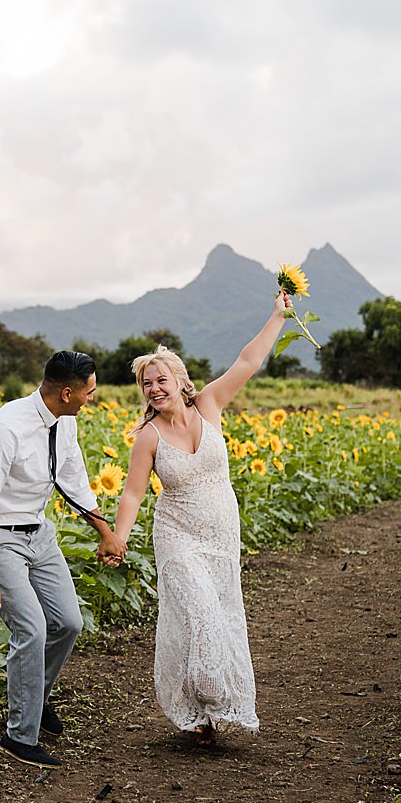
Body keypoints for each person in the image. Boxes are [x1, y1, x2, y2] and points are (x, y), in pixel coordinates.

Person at [101, 294, 293, 746]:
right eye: (146, 384)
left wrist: (278, 316)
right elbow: (132, 492)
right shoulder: (147, 437)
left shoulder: (209, 406)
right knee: (202, 614)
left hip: (223, 531)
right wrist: (119, 539)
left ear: (181, 381)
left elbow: (248, 361)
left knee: (220, 616)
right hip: (177, 534)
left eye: (160, 379)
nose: (153, 389)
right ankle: (208, 699)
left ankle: (206, 715)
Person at [0, 351, 121, 769]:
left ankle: (36, 697)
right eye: (89, 393)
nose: (91, 400)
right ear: (67, 392)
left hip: (39, 534)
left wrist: (105, 532)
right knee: (30, 629)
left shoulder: (65, 424)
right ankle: (19, 736)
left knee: (69, 622)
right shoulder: (4, 429)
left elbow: (74, 481)